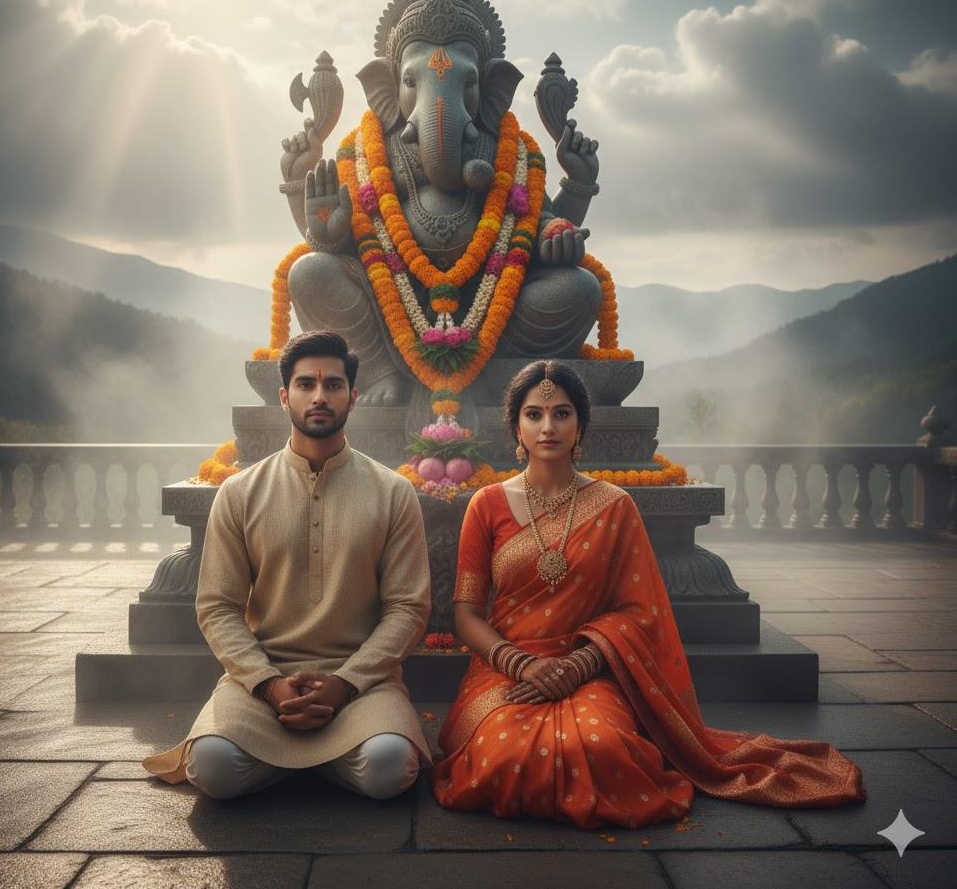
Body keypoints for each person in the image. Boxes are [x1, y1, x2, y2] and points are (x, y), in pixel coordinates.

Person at [432, 360, 867, 829]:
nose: (547, 426)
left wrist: (576, 665)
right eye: (534, 414)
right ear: (515, 426)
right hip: (505, 668)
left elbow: (638, 613)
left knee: (600, 748)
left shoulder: (615, 506)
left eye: (561, 413)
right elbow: (467, 613)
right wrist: (524, 664)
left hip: (590, 667)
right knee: (504, 755)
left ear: (580, 425)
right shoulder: (488, 504)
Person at [142, 330, 432, 800]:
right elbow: (218, 606)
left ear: (353, 397)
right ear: (284, 396)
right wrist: (268, 684)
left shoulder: (391, 492)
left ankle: (297, 761)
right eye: (305, 384)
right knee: (210, 766)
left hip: (363, 684)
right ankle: (324, 761)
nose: (320, 396)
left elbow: (407, 608)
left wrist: (346, 683)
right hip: (261, 683)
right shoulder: (240, 493)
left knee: (390, 767)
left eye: (333, 385)